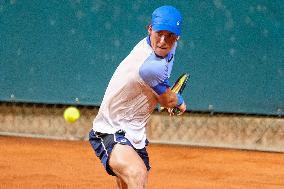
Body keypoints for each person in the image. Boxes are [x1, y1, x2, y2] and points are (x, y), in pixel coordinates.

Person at [89, 5, 186, 189]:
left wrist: (164, 92)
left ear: (177, 37)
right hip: (111, 128)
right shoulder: (150, 66)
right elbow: (166, 100)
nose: (163, 42)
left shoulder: (167, 48)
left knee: (128, 182)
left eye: (170, 36)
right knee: (137, 173)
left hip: (134, 130)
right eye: (159, 33)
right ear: (150, 29)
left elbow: (160, 91)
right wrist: (179, 101)